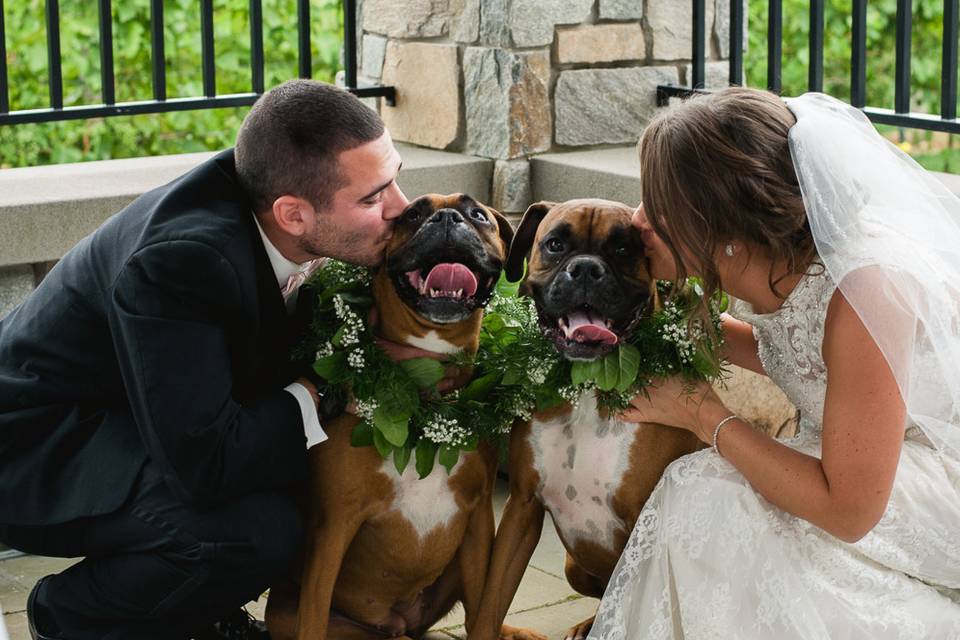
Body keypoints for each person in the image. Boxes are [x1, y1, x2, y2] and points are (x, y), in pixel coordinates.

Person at [0, 79, 408, 639]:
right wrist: (328, 386)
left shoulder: (275, 191)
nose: (401, 209)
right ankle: (69, 615)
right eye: (372, 197)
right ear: (292, 214)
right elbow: (207, 465)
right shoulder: (183, 262)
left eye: (396, 179)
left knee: (291, 467)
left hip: (136, 420)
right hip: (32, 445)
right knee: (250, 533)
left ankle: (190, 612)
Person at [587, 87, 960, 639]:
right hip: (860, 464)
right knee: (708, 493)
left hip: (924, 482)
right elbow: (793, 351)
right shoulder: (770, 263)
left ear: (718, 221)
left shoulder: (865, 292)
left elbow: (850, 511)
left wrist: (700, 414)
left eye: (657, 204)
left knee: (717, 499)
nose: (637, 220)